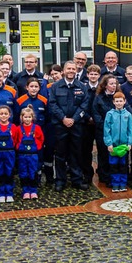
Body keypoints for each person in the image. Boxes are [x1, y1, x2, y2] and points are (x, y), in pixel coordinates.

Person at [47, 61, 90, 191]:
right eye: (68, 68)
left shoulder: (82, 87)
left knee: (76, 153)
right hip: (60, 125)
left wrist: (74, 119)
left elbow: (85, 105)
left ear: (76, 71)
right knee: (60, 154)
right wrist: (63, 118)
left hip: (77, 125)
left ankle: (77, 179)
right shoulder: (55, 87)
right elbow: (52, 104)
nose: (71, 71)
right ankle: (60, 181)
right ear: (63, 71)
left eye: (73, 69)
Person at [103, 92, 132, 193]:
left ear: (124, 101)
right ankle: (115, 183)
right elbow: (106, 129)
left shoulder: (128, 115)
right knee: (114, 165)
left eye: (121, 101)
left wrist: (130, 143)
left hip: (124, 145)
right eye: (117, 101)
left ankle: (123, 183)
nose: (119, 103)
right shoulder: (110, 114)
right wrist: (109, 143)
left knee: (123, 165)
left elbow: (130, 130)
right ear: (113, 102)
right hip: (114, 145)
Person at [0, 104, 18, 203]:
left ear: (10, 115)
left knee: (9, 172)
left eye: (6, 114)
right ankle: (1, 193)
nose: (4, 116)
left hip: (9, 152)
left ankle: (9, 193)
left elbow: (15, 140)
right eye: (1, 114)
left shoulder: (13, 127)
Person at [16, 106, 44, 200]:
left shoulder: (37, 128)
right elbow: (15, 140)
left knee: (33, 172)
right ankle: (25, 191)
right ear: (21, 118)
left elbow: (41, 139)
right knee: (23, 172)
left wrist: (37, 146)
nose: (27, 119)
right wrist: (18, 147)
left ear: (32, 118)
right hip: (22, 155)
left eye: (29, 117)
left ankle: (33, 190)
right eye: (25, 117)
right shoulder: (18, 129)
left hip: (33, 154)